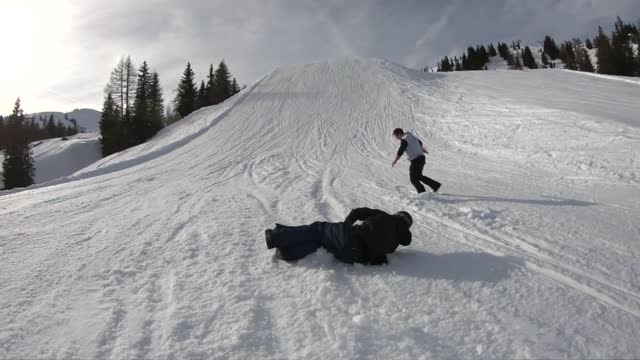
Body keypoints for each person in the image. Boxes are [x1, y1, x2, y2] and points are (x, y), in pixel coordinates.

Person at [265, 208, 413, 265]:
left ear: (397, 215)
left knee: (318, 229)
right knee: (321, 242)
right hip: (355, 257)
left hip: (351, 236)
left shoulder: (384, 216)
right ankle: (286, 253)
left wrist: (346, 226)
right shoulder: (397, 241)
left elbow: (357, 212)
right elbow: (407, 241)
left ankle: (277, 236)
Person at [391, 128, 441, 194]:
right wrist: (422, 149)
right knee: (418, 176)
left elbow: (400, 151)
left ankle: (424, 192)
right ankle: (434, 186)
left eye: (396, 136)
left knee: (413, 179)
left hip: (416, 160)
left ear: (399, 134)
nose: (397, 138)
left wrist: (395, 161)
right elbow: (419, 142)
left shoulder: (404, 140)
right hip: (421, 158)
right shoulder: (410, 135)